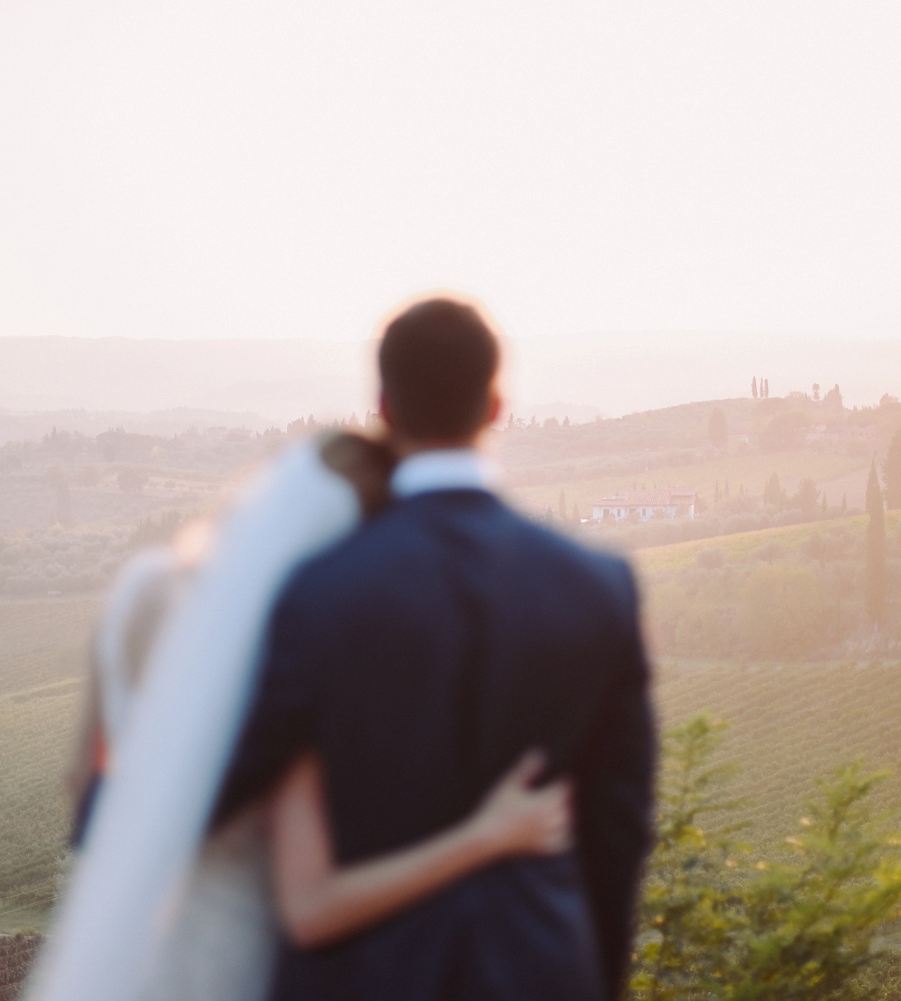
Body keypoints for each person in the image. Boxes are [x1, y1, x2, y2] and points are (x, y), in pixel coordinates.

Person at [29, 423, 586, 1001]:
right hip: (233, 961)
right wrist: (488, 834)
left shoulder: (141, 587)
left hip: (121, 946)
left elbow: (82, 782)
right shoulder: (286, 662)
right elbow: (313, 904)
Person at [216, 297, 656, 1001]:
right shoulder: (598, 587)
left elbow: (232, 785)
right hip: (542, 969)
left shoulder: (319, 593)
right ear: (496, 404)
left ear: (384, 408)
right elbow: (618, 828)